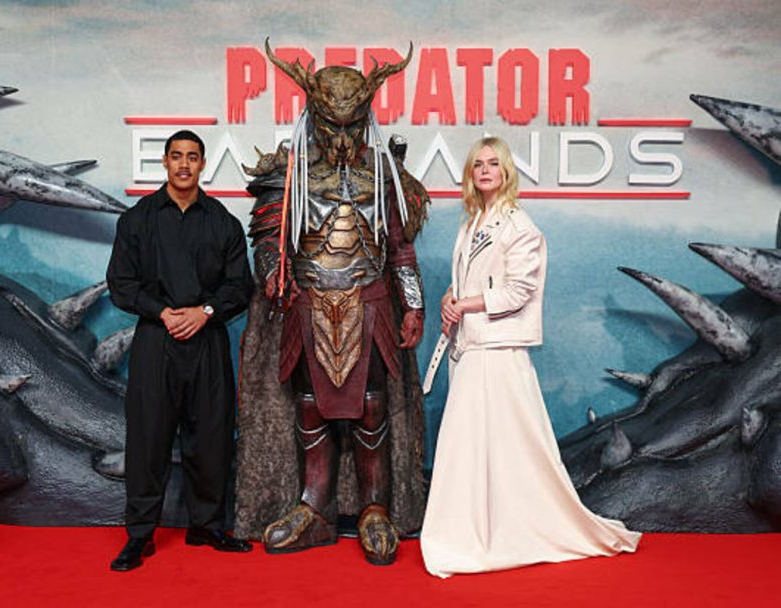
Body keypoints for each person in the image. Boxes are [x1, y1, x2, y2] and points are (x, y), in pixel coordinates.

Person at [233, 41, 429, 566]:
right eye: (331, 124)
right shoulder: (288, 172)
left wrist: (413, 306)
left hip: (370, 304)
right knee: (309, 407)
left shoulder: (385, 174)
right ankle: (313, 507)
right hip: (309, 304)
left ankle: (375, 510)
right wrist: (273, 274)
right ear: (314, 115)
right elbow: (268, 238)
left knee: (372, 408)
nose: (341, 137)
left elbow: (399, 248)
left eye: (351, 124)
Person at [420, 137, 640, 578]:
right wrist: (450, 298)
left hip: (498, 352)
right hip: (472, 350)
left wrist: (466, 304)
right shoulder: (473, 222)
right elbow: (470, 278)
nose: (485, 170)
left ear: (506, 171)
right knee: (472, 446)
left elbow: (519, 291)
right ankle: (469, 527)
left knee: (506, 444)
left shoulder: (519, 225)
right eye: (477, 164)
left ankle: (504, 529)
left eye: (493, 163)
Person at [106, 130, 254, 571]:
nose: (184, 164)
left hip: (207, 340)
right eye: (176, 156)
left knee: (211, 437)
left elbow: (239, 287)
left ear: (202, 164)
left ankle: (206, 526)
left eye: (192, 157)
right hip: (156, 340)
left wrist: (205, 311)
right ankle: (140, 535)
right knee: (147, 439)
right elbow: (121, 283)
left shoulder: (222, 222)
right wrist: (161, 312)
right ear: (165, 163)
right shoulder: (137, 220)